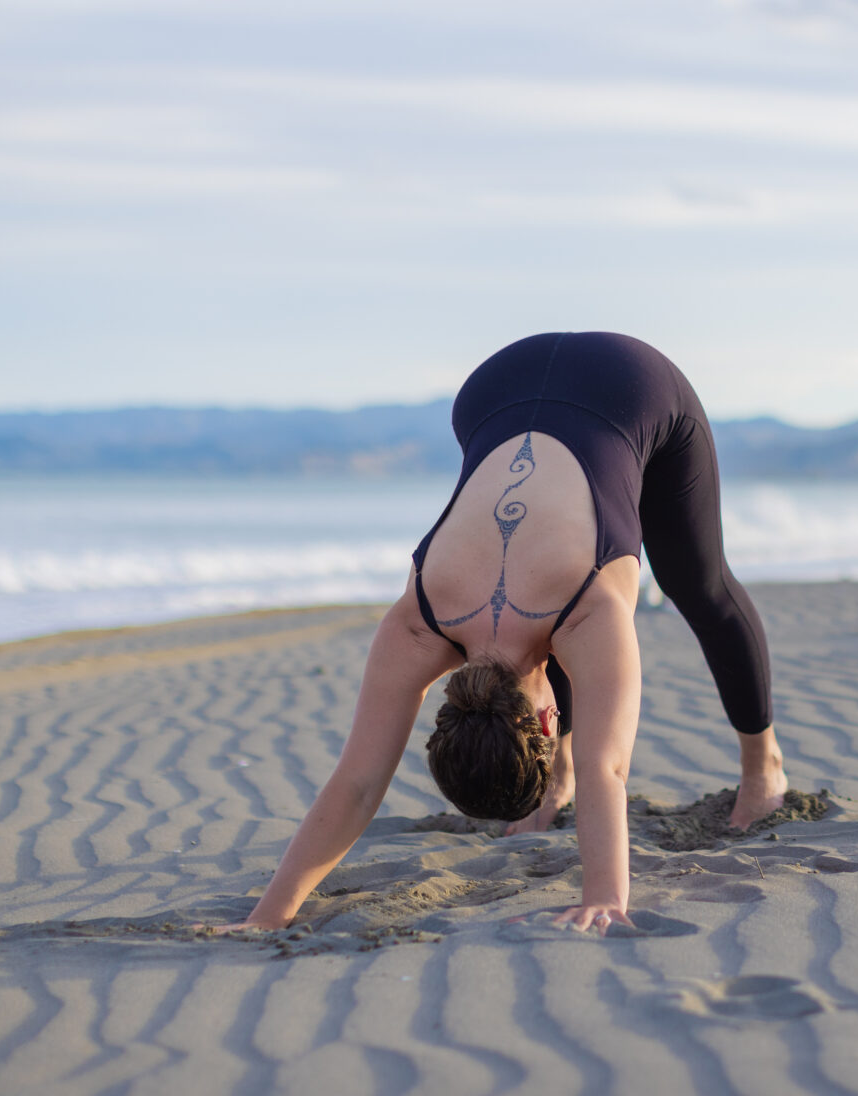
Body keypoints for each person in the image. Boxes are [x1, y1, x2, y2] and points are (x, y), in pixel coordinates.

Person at [231, 332, 786, 934]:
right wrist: (271, 911)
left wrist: (605, 896)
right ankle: (559, 775)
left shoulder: (590, 611)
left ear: (548, 725)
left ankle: (764, 767)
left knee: (696, 583)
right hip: (493, 383)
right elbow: (356, 783)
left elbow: (610, 770)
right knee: (546, 640)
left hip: (634, 385)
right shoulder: (415, 619)